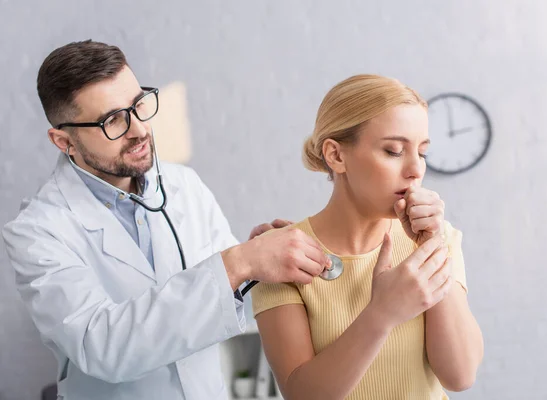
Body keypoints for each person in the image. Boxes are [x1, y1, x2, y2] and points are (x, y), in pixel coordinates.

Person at [1, 40, 332, 400]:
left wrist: (257, 267)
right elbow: (102, 348)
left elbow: (225, 307)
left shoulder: (183, 185)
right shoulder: (37, 232)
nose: (139, 129)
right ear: (64, 141)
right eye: (113, 120)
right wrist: (238, 263)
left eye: (139, 104)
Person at [251, 74, 484, 399]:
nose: (416, 168)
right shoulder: (282, 255)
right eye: (393, 151)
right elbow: (302, 395)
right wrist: (382, 314)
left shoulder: (437, 239)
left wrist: (433, 247)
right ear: (336, 156)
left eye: (423, 152)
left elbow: (460, 375)